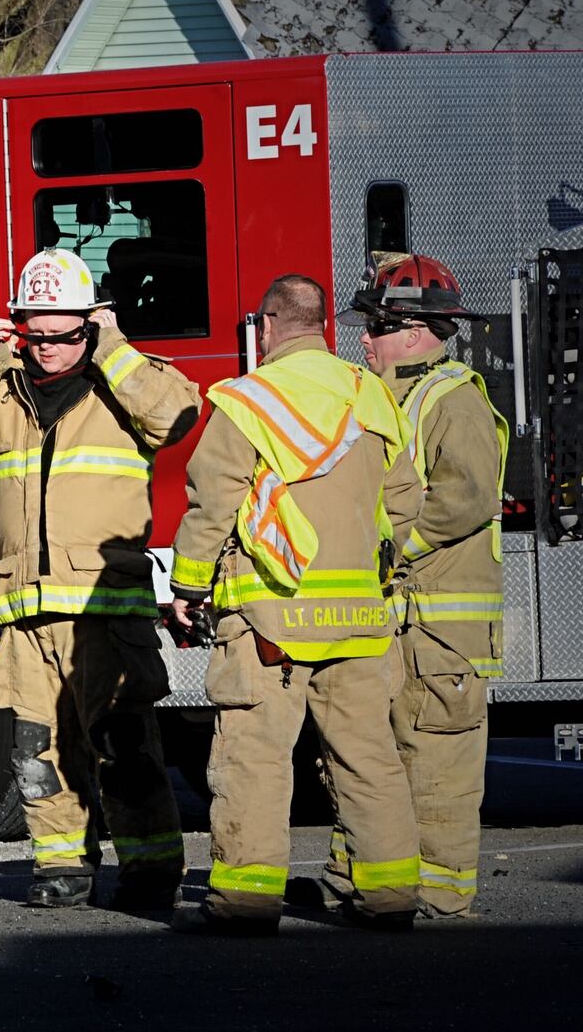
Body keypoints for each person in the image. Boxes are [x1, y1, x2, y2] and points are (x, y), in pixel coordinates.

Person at [0, 248, 200, 911]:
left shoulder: (120, 380)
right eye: (34, 334)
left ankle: (151, 866)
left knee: (121, 745)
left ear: (91, 326)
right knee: (34, 752)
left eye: (64, 335)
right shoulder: (4, 387)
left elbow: (177, 415)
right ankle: (61, 864)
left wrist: (114, 348)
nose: (47, 349)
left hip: (103, 608)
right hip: (20, 610)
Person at [167, 274, 423, 936]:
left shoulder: (248, 401)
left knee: (254, 755)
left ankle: (247, 900)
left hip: (270, 619)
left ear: (270, 325)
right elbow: (405, 502)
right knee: (369, 755)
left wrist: (189, 587)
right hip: (363, 619)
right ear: (323, 326)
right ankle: (391, 892)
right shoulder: (371, 395)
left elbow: (211, 504)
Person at [292, 254, 505, 919]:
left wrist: (391, 547)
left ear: (414, 331)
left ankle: (439, 901)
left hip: (442, 635)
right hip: (397, 623)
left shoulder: (455, 399)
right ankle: (360, 878)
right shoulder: (391, 397)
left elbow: (466, 495)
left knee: (436, 764)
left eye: (378, 325)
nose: (364, 337)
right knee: (371, 755)